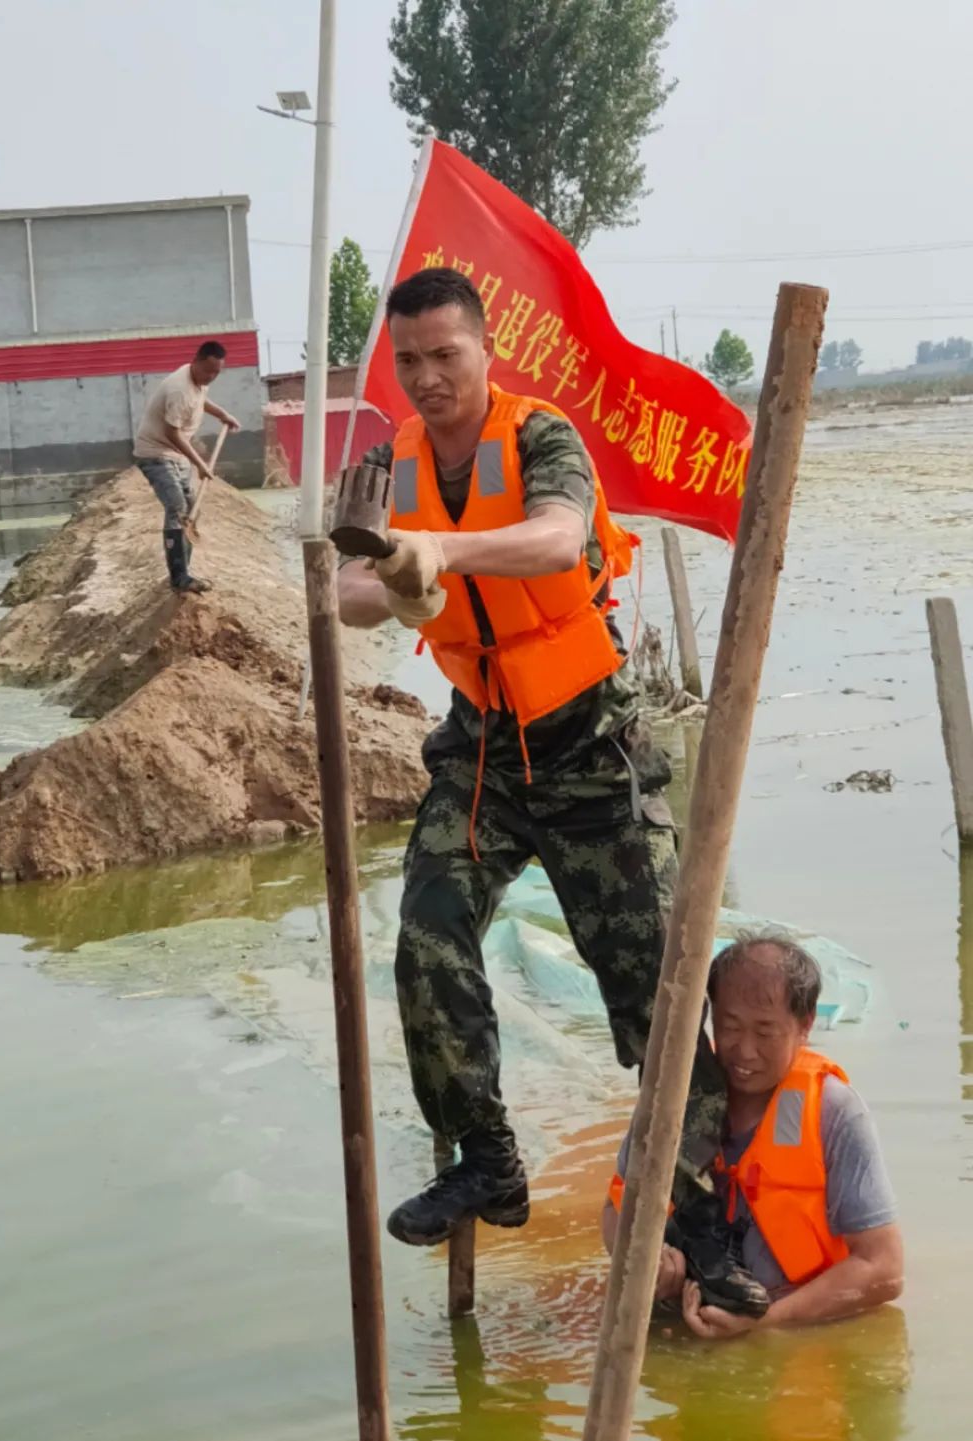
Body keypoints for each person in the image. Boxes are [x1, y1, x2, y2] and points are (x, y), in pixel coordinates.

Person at [337, 266, 762, 1314]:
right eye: (411, 361)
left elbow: (559, 537)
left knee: (658, 1001)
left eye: (447, 355)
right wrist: (393, 576)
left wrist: (441, 548)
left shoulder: (539, 435)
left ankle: (706, 1226)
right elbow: (347, 591)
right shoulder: (388, 460)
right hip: (482, 750)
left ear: (484, 351)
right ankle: (488, 1157)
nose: (429, 378)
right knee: (425, 942)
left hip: (588, 749)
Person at [603, 933, 903, 1336]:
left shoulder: (835, 1113)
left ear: (806, 1025)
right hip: (677, 1317)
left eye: (765, 1033)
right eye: (730, 1027)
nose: (744, 1051)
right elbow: (616, 1210)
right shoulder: (675, 1094)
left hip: (791, 1327)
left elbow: (883, 1270)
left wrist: (767, 1323)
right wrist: (650, 1263)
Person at [133, 340, 241, 594]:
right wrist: (201, 464)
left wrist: (222, 414)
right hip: (156, 454)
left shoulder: (196, 381)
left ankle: (186, 571)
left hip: (175, 454)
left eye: (217, 373)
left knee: (191, 508)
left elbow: (201, 400)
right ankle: (179, 577)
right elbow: (173, 433)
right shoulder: (178, 389)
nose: (211, 377)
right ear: (197, 361)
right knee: (177, 507)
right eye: (208, 371)